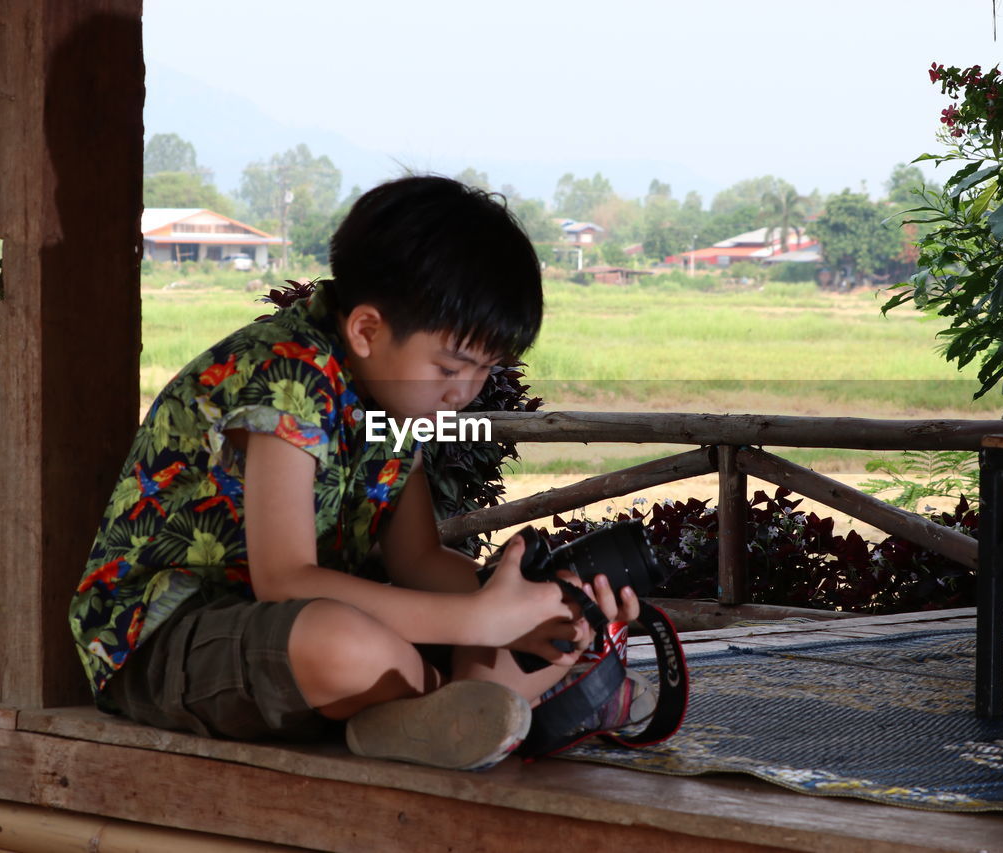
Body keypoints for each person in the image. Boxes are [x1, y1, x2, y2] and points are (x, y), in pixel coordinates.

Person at [68, 175, 642, 771]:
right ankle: (463, 707)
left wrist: (534, 609)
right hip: (169, 644)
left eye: (484, 371)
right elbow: (284, 581)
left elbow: (416, 561)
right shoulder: (287, 374)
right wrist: (479, 620)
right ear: (367, 330)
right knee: (345, 646)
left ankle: (443, 713)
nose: (464, 394)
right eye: (450, 366)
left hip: (302, 641)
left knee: (538, 639)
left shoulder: (396, 400)